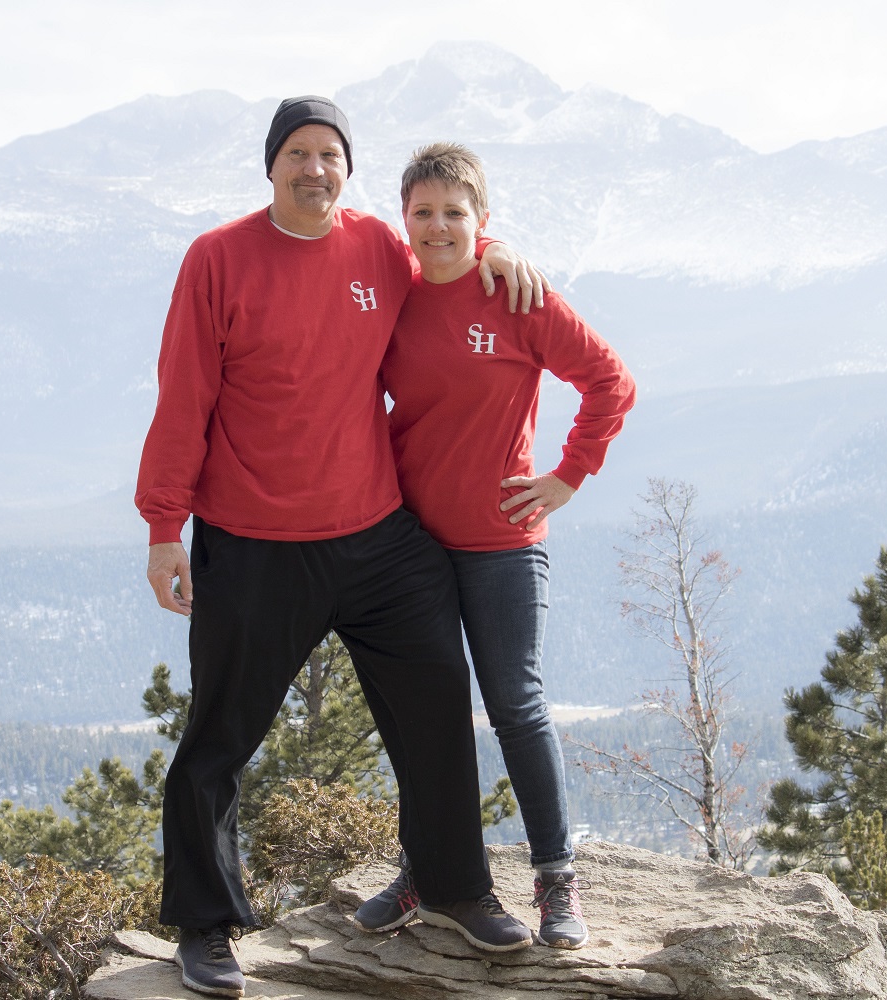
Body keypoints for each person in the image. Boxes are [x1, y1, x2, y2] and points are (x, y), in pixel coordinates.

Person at [136, 98, 546, 998]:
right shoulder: (218, 258)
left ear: (347, 169)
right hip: (254, 544)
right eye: (297, 153)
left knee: (436, 703)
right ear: (271, 165)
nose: (314, 168)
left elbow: (446, 252)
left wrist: (497, 251)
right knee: (218, 739)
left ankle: (453, 887)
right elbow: (182, 395)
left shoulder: (376, 248)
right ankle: (205, 927)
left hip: (376, 536)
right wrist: (165, 527)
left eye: (329, 154)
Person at [354, 143, 635, 949]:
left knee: (514, 703)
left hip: (501, 542)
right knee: (426, 715)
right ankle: (427, 870)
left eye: (455, 212)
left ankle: (556, 880)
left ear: (481, 219)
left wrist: (568, 475)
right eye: (423, 212)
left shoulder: (515, 294)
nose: (437, 226)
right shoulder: (392, 294)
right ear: (403, 218)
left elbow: (610, 382)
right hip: (410, 543)